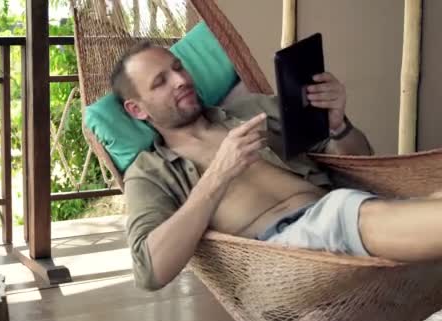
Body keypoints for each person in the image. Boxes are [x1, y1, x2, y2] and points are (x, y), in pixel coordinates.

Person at [113, 42, 442, 291]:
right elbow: (149, 271)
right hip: (286, 260)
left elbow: (358, 162)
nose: (181, 80)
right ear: (137, 110)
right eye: (160, 82)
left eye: (179, 68)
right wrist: (217, 175)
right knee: (343, 210)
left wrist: (338, 126)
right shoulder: (148, 172)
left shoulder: (253, 109)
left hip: (351, 210)